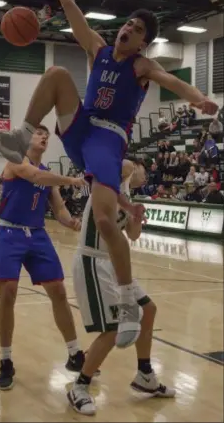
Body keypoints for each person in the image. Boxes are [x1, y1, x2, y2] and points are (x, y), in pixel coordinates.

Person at [0, 0, 218, 349]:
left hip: (107, 140)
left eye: (139, 30)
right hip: (82, 125)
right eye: (129, 23)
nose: (129, 29)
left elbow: (174, 82)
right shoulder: (98, 49)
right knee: (57, 73)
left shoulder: (143, 66)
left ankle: (127, 303)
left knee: (107, 222)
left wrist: (199, 100)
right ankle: (21, 136)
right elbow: (69, 2)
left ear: (143, 43)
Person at [68, 158, 175, 415]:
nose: (146, 174)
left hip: (115, 265)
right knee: (112, 328)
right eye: (143, 168)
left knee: (148, 309)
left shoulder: (127, 196)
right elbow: (122, 162)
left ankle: (144, 374)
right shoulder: (111, 180)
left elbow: (134, 235)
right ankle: (79, 386)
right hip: (93, 261)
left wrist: (136, 216)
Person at [0, 124, 89, 390]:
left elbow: (60, 209)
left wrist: (73, 222)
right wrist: (72, 180)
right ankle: (6, 359)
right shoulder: (15, 160)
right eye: (38, 133)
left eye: (46, 135)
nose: (44, 137)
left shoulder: (47, 174)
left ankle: (75, 353)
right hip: (9, 232)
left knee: (58, 291)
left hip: (37, 234)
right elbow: (35, 176)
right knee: (7, 291)